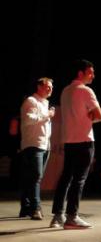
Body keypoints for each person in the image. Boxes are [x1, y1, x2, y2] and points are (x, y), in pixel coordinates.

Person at [51, 60, 101, 229]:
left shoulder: (65, 91)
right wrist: (89, 115)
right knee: (79, 179)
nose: (93, 76)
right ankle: (72, 217)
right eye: (90, 72)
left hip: (69, 140)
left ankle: (57, 216)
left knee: (66, 177)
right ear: (80, 73)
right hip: (84, 140)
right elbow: (99, 116)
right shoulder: (86, 91)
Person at [19, 77, 55, 220]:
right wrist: (48, 115)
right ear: (39, 87)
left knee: (31, 178)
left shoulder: (44, 103)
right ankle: (35, 208)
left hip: (44, 144)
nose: (50, 89)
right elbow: (29, 119)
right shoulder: (31, 101)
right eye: (47, 86)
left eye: (51, 87)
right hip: (33, 144)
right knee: (36, 177)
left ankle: (25, 208)